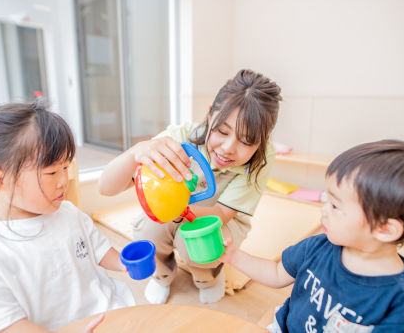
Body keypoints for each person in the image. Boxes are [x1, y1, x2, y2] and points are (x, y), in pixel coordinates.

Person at [220, 139, 404, 333]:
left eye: (336, 206)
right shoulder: (319, 246)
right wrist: (234, 256)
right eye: (326, 200)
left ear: (385, 229)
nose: (324, 210)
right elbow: (276, 273)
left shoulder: (403, 306)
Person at [99, 69, 282, 304]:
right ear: (209, 115)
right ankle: (162, 275)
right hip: (176, 207)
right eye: (222, 131)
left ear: (263, 140)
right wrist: (137, 152)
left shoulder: (262, 158)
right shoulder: (180, 137)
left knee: (196, 241)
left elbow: (223, 213)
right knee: (149, 229)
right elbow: (106, 188)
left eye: (246, 141)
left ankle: (208, 277)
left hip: (219, 216)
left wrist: (180, 211)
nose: (228, 147)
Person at [0, 102, 135, 333]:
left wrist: (125, 263)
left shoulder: (69, 213)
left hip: (111, 314)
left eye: (66, 168)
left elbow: (96, 248)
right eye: (51, 172)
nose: (63, 181)